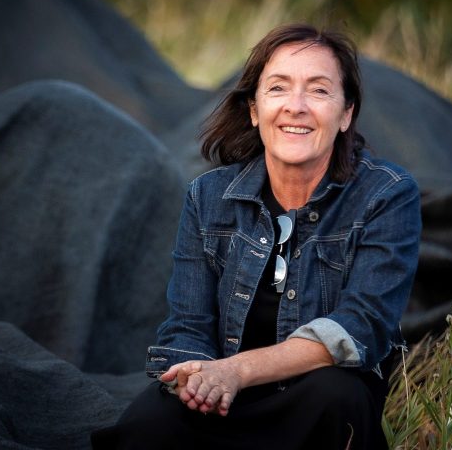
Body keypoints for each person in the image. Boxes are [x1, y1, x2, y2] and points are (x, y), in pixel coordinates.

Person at [92, 23, 421, 449]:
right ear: (254, 109)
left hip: (314, 399)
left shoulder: (387, 195)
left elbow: (361, 326)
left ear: (346, 114)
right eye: (278, 88)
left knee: (336, 395)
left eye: (319, 91)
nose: (295, 107)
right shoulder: (208, 196)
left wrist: (238, 371)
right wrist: (196, 377)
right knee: (147, 423)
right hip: (225, 398)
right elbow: (189, 325)